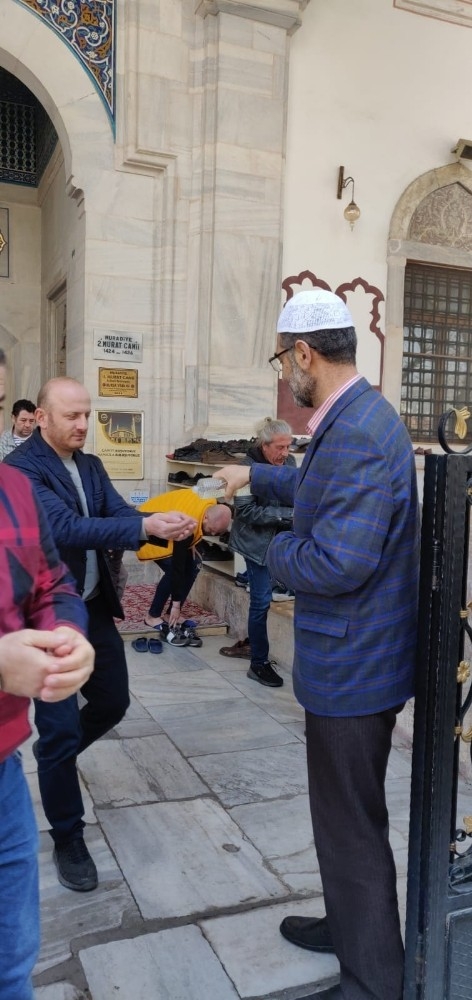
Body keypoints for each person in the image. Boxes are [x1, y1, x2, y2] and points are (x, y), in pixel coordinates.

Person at [215, 289, 419, 1000]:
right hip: (355, 657)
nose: (285, 371)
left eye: (283, 357)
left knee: (351, 820)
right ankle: (348, 922)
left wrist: (271, 545)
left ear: (304, 353)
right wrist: (255, 475)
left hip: (356, 663)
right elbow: (315, 483)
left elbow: (339, 560)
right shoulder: (355, 416)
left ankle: (372, 978)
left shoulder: (360, 429)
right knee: (341, 813)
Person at [4, 377, 197, 893]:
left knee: (112, 702)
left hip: (91, 607)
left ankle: (55, 760)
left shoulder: (89, 463)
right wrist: (144, 530)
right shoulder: (21, 470)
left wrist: (159, 520)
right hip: (46, 618)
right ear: (41, 417)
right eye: (71, 416)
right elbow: (65, 528)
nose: (83, 426)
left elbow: (114, 511)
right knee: (61, 729)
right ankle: (68, 832)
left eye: (87, 415)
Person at [0, 354, 95, 1000]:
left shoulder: (9, 491)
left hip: (3, 772)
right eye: (74, 414)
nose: (84, 425)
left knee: (13, 964)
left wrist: (69, 631)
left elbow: (50, 576)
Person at [219, 417, 295, 687]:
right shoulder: (244, 469)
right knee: (261, 601)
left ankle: (254, 644)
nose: (285, 454)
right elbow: (247, 511)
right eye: (279, 448)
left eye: (289, 447)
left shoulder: (290, 464)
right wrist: (290, 515)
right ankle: (258, 663)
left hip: (283, 543)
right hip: (256, 545)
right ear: (264, 445)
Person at [137, 489, 232, 647]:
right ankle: (152, 616)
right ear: (206, 517)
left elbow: (196, 522)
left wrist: (192, 542)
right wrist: (176, 604)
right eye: (212, 530)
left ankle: (170, 616)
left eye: (217, 532)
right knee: (172, 569)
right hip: (148, 529)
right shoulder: (188, 522)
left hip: (172, 529)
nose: (213, 533)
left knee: (194, 564)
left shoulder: (210, 504)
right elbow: (177, 567)